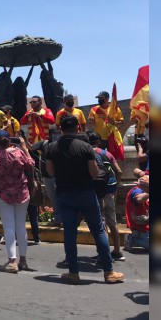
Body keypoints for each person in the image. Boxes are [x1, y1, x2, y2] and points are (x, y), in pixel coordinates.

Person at [45, 115, 125, 284]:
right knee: (98, 231)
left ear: (61, 129)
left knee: (69, 232)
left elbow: (50, 172)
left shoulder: (51, 148)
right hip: (86, 193)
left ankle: (73, 272)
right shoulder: (85, 147)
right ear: (78, 129)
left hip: (64, 194)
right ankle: (108, 272)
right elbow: (95, 173)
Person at [0, 129, 34, 273]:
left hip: (3, 193)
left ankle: (12, 261)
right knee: (21, 226)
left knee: (9, 227)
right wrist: (25, 149)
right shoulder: (19, 152)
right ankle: (23, 260)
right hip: (22, 193)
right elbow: (31, 164)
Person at [88, 132, 125, 262]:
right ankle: (117, 251)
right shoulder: (107, 154)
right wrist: (115, 187)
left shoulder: (88, 153)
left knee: (100, 222)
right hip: (110, 189)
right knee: (112, 221)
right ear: (98, 141)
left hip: (96, 190)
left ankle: (102, 254)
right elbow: (119, 171)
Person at [124, 175, 150, 252]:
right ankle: (132, 239)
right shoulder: (136, 191)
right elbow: (138, 198)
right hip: (140, 229)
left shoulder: (145, 191)